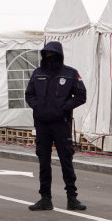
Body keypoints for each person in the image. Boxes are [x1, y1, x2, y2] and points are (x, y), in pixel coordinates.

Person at [24, 41, 88, 211]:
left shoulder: (70, 73)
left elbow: (81, 95)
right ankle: (45, 198)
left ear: (59, 55)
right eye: (46, 54)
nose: (49, 57)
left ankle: (72, 198)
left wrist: (64, 107)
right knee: (43, 162)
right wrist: (38, 107)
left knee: (66, 160)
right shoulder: (38, 73)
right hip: (42, 124)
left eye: (52, 54)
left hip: (61, 124)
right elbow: (29, 94)